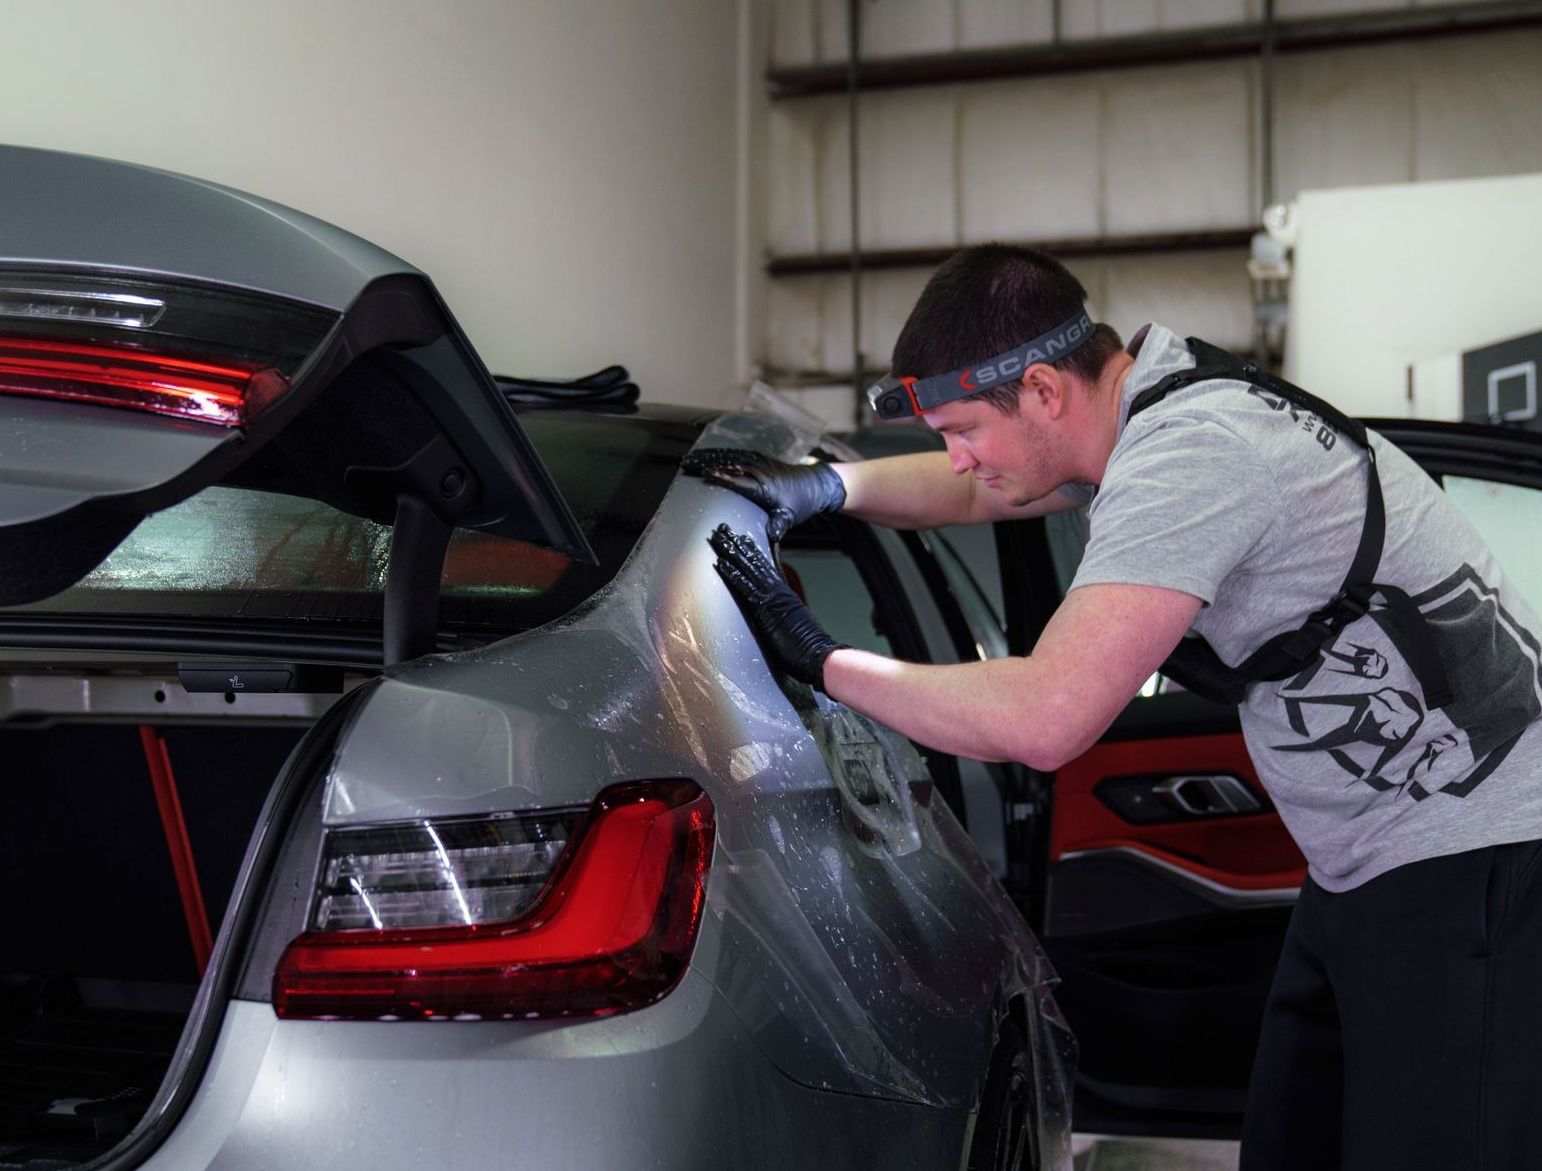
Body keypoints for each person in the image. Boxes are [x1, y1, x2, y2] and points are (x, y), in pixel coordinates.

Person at [687, 244, 1542, 1171]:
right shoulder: (1147, 404)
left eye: (964, 427)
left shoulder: (1195, 455)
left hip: (1475, 850)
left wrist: (825, 660)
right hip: (1365, 860)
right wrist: (826, 487)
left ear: (1047, 390)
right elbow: (981, 487)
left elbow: (1048, 717)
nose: (956, 456)